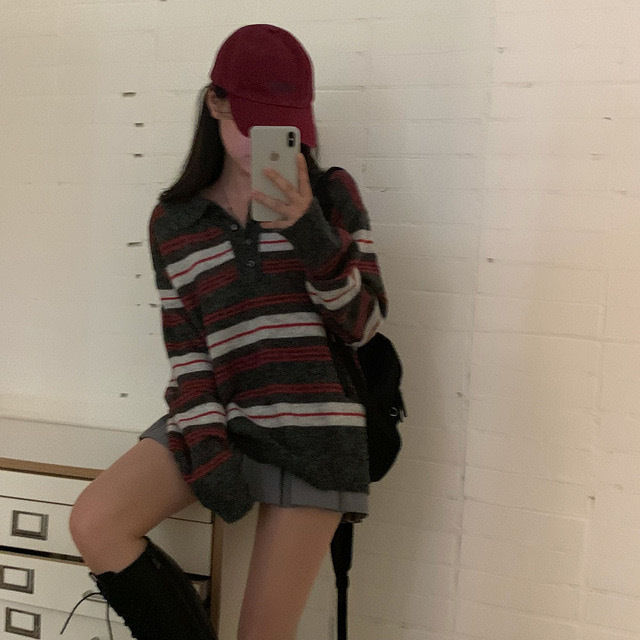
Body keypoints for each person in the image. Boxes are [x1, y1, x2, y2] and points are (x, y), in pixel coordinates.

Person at [68, 23, 387, 640]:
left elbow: (363, 326)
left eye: (285, 126)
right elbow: (187, 349)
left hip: (317, 426)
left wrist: (308, 229)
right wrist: (207, 444)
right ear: (216, 102)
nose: (268, 140)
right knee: (95, 521)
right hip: (224, 409)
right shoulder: (174, 221)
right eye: (255, 121)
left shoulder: (331, 194)